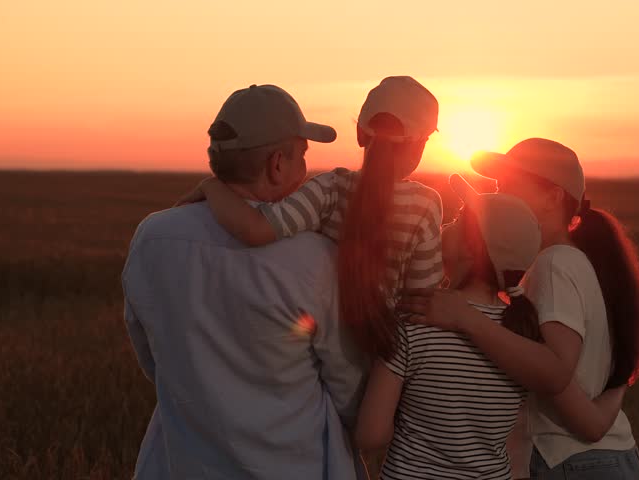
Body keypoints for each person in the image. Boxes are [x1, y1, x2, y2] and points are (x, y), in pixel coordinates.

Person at [122, 84, 368, 480]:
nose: (306, 170)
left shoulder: (152, 238)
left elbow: (152, 357)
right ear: (277, 165)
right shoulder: (315, 259)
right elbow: (349, 387)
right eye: (302, 155)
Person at [401, 138, 639, 479]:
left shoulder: (553, 264)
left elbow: (556, 370)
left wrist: (465, 319)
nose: (498, 196)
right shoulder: (576, 261)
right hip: (597, 458)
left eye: (508, 186)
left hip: (571, 461)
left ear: (552, 198)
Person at [356, 179, 627, 480]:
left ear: (472, 247)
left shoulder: (415, 320)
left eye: (458, 220)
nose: (446, 225)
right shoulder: (521, 334)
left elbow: (371, 435)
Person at [176, 76, 444, 360]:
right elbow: (423, 300)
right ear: (419, 144)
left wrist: (212, 187)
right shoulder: (425, 205)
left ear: (360, 134)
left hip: (329, 346)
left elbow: (257, 229)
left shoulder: (329, 187)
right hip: (387, 353)